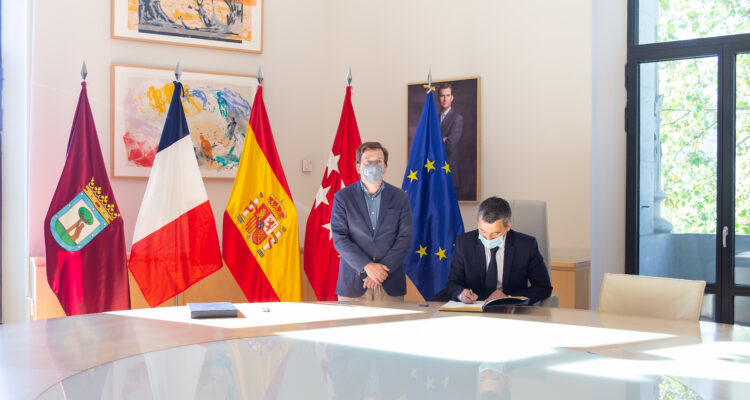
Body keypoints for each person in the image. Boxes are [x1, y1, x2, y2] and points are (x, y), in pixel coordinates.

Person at [331, 142, 413, 301]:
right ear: (358, 167)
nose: (373, 166)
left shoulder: (400, 197)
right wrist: (367, 267)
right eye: (368, 162)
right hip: (353, 284)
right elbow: (340, 238)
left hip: (390, 283)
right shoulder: (343, 197)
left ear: (385, 167)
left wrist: (380, 273)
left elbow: (405, 238)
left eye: (379, 162)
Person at [443, 196, 552, 305]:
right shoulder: (464, 243)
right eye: (483, 231)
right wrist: (461, 294)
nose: (488, 239)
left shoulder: (526, 246)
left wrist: (509, 298)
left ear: (508, 226)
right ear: (478, 223)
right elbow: (452, 284)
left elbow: (543, 287)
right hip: (474, 308)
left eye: (495, 234)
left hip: (510, 309)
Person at [438, 83, 464, 191]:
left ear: (452, 97)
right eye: (442, 96)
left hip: (448, 172)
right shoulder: (434, 118)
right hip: (434, 171)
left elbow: (450, 145)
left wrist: (435, 141)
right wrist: (442, 139)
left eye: (447, 95)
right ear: (439, 98)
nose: (445, 99)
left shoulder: (457, 118)